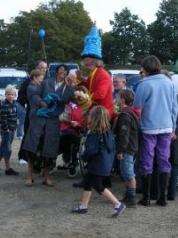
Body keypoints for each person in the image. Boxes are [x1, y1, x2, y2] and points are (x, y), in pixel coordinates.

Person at [73, 23, 114, 188]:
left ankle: (102, 178)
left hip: (102, 116)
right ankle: (93, 178)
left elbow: (100, 95)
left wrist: (85, 98)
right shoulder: (94, 73)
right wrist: (80, 80)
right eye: (85, 58)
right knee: (94, 147)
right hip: (96, 114)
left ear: (96, 60)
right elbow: (88, 85)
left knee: (98, 147)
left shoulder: (102, 74)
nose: (86, 60)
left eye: (89, 58)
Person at [134, 55, 177, 207]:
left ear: (145, 68)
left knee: (147, 160)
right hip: (166, 126)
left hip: (149, 127)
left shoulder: (144, 84)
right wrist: (172, 127)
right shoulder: (169, 82)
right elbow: (174, 107)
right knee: (164, 160)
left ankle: (146, 197)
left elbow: (137, 108)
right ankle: (163, 197)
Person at [23, 64, 74, 186]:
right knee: (33, 148)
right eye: (60, 71)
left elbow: (65, 100)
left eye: (65, 71)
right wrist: (40, 102)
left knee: (50, 150)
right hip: (39, 119)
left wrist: (69, 86)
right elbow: (34, 94)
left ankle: (47, 177)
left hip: (53, 121)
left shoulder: (69, 87)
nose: (63, 73)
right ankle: (29, 177)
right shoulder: (45, 82)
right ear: (56, 72)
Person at [71, 106, 126, 218]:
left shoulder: (94, 134)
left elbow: (90, 150)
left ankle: (118, 204)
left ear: (93, 118)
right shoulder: (108, 132)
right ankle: (83, 205)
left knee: (98, 185)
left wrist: (84, 156)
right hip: (104, 163)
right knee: (88, 181)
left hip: (97, 163)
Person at [16, 60, 48, 165]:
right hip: (31, 111)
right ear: (37, 68)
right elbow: (20, 96)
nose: (44, 70)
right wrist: (32, 99)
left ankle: (37, 157)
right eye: (42, 67)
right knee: (28, 133)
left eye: (45, 68)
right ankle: (22, 156)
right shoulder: (28, 82)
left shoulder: (45, 81)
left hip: (42, 113)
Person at [113, 90, 140, 208]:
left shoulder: (125, 115)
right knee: (126, 171)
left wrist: (120, 150)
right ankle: (128, 195)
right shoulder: (131, 113)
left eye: (118, 97)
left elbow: (124, 135)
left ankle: (132, 198)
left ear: (123, 100)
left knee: (128, 172)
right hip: (131, 147)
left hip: (127, 148)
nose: (117, 99)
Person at [0, 85, 19, 176]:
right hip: (7, 130)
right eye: (9, 94)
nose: (11, 96)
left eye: (12, 94)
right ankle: (7, 168)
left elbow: (15, 117)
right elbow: (3, 119)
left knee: (3, 148)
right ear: (5, 95)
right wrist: (6, 129)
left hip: (12, 130)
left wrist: (14, 127)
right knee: (7, 149)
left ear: (15, 95)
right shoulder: (4, 105)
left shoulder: (14, 104)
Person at [24, 69, 44, 186]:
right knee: (32, 149)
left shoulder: (38, 87)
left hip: (41, 121)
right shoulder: (32, 88)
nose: (42, 80)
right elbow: (38, 100)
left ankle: (37, 174)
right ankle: (29, 176)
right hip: (35, 120)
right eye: (41, 78)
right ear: (35, 77)